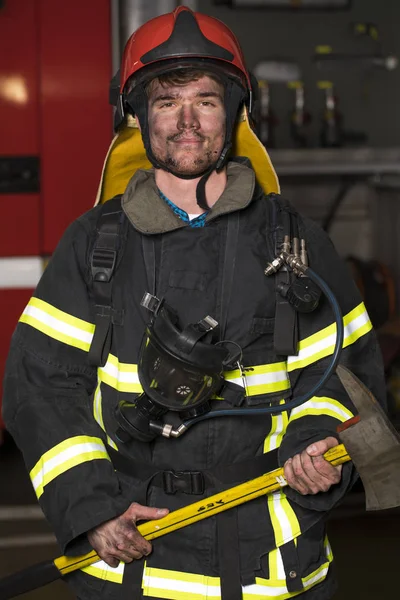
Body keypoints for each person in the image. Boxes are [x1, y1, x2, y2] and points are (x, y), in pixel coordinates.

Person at [2, 6, 386, 600]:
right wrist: (92, 506)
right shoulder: (93, 245)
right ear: (137, 116)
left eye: (205, 100)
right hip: (132, 563)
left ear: (234, 113)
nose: (187, 121)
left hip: (271, 568)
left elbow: (347, 375)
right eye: (166, 102)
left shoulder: (295, 243)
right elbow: (41, 387)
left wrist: (317, 444)